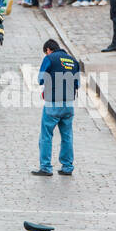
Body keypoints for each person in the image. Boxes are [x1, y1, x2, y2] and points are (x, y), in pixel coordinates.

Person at [34, 39, 80, 177]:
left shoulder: (49, 58)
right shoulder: (73, 61)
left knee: (46, 135)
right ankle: (67, 167)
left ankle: (46, 167)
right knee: (67, 136)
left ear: (48, 49)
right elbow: (77, 84)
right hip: (68, 104)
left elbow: (40, 79)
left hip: (53, 103)